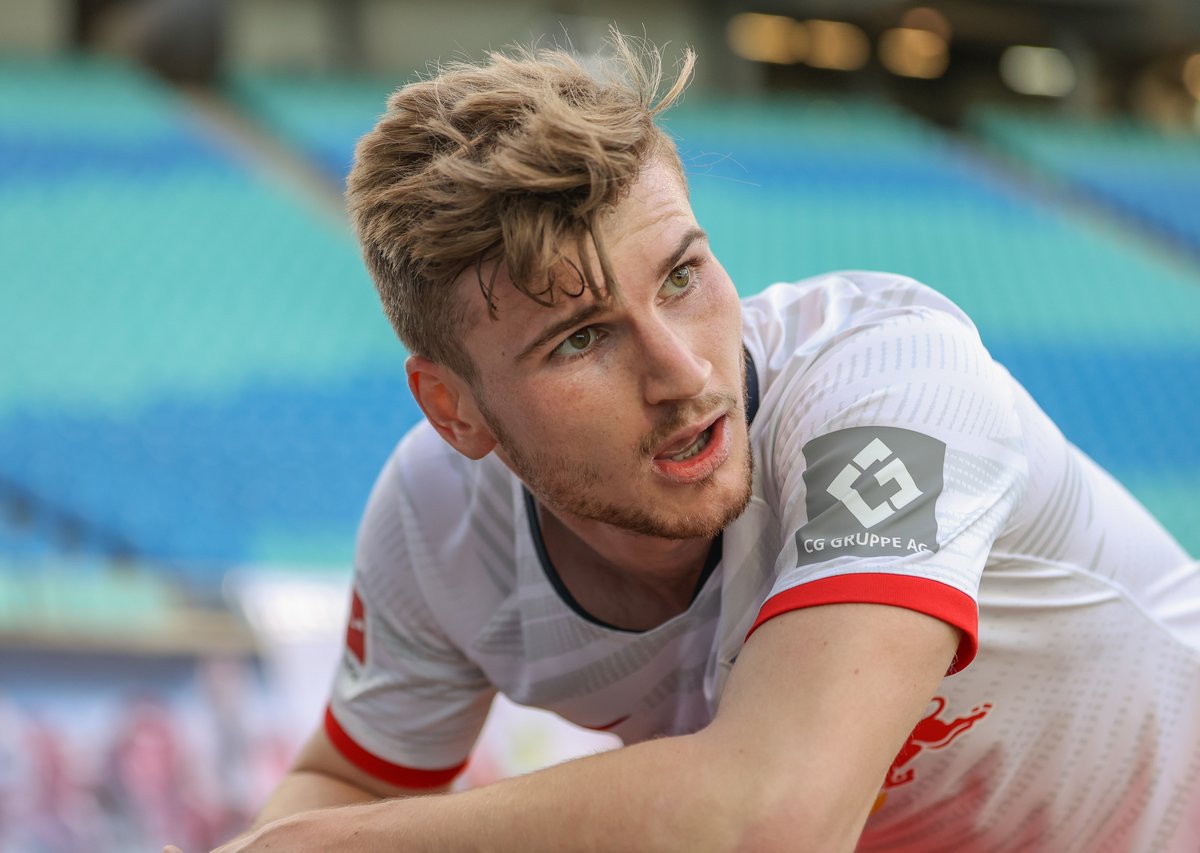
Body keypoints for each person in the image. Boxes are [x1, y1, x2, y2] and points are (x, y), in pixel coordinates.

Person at [175, 34, 1200, 853]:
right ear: (457, 412)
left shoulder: (890, 381)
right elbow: (349, 785)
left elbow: (777, 817)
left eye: (680, 276)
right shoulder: (435, 521)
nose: (682, 373)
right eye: (580, 339)